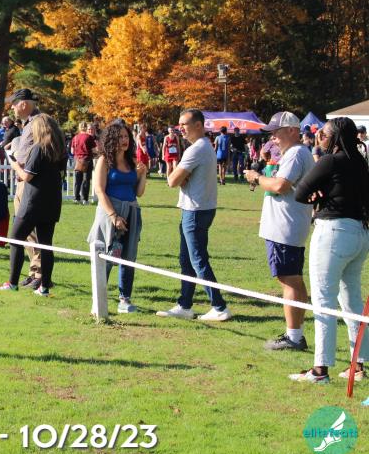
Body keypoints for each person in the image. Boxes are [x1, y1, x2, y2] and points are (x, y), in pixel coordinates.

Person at [289, 117, 369, 383]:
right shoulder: (360, 162)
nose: (319, 137)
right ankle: (358, 365)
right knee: (352, 299)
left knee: (324, 301)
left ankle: (320, 369)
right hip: (360, 234)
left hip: (333, 233)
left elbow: (300, 192)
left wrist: (317, 194)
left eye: (323, 133)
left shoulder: (329, 161)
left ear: (335, 137)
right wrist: (321, 192)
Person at [243, 112, 315, 351]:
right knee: (291, 279)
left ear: (292, 130)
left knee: (289, 280)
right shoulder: (295, 153)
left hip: (286, 227)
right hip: (288, 226)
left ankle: (294, 337)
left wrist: (256, 177)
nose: (272, 137)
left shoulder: (295, 153)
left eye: (276, 131)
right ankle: (295, 334)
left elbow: (280, 185)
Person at [157, 108, 232, 322]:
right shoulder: (205, 146)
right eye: (179, 124)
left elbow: (172, 181)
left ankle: (219, 306)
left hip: (195, 211)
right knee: (187, 260)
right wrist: (183, 176)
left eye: (184, 124)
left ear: (198, 125)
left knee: (197, 260)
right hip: (201, 208)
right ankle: (185, 305)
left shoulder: (196, 149)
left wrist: (177, 173)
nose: (180, 128)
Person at [0, 114, 66, 294]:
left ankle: (12, 283)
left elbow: (27, 176)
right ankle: (44, 287)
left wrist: (15, 165)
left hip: (33, 201)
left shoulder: (39, 148)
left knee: (15, 238)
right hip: (52, 202)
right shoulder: (59, 151)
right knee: (46, 244)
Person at [87, 120, 148, 313]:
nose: (124, 140)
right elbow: (99, 190)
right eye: (120, 137)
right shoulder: (105, 160)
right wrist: (114, 216)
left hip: (131, 211)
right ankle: (99, 299)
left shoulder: (131, 162)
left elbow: (138, 193)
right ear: (112, 139)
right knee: (106, 255)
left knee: (128, 257)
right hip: (110, 213)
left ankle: (125, 300)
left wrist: (142, 175)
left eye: (126, 136)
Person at [5, 88, 45, 288]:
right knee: (27, 233)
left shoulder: (38, 122)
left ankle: (40, 273)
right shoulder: (29, 123)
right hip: (22, 181)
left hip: (30, 183)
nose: (12, 108)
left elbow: (39, 153)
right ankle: (33, 271)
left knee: (31, 230)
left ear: (23, 104)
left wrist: (17, 164)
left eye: (14, 104)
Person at [70, 122, 96, 205]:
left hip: (77, 160)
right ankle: (85, 199)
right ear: (86, 127)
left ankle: (76, 198)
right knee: (86, 181)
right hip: (87, 160)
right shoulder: (89, 137)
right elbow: (94, 150)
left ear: (79, 128)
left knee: (77, 181)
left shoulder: (75, 137)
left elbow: (72, 151)